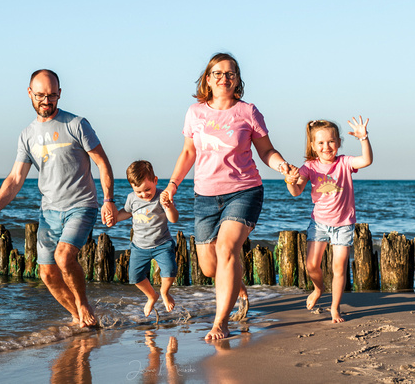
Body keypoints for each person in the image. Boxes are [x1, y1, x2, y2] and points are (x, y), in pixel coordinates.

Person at [162, 53, 297, 340]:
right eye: (218, 73)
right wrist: (173, 185)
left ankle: (220, 323)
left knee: (226, 249)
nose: (224, 78)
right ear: (208, 79)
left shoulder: (248, 112)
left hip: (244, 191)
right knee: (210, 267)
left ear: (237, 79)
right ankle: (236, 285)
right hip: (205, 196)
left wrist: (282, 165)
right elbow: (188, 152)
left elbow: (266, 151)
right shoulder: (195, 112)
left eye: (230, 73)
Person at [0, 69, 118, 328]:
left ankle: (83, 304)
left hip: (81, 206)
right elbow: (16, 178)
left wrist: (108, 200)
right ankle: (82, 319)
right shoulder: (27, 135)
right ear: (30, 93)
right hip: (49, 211)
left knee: (64, 257)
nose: (46, 101)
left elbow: (102, 163)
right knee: (47, 273)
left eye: (52, 95)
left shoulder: (76, 124)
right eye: (40, 95)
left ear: (60, 94)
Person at [284, 116, 373, 323]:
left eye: (331, 141)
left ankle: (335, 308)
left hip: (344, 224)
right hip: (319, 224)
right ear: (313, 146)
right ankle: (318, 288)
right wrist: (289, 180)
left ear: (339, 142)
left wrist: (364, 138)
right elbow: (296, 191)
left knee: (339, 267)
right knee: (311, 266)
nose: (327, 147)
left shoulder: (345, 162)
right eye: (321, 143)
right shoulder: (310, 167)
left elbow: (367, 160)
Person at [112, 160, 179, 317]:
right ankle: (151, 296)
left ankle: (164, 292)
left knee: (170, 272)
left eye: (147, 190)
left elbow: (174, 219)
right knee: (135, 277)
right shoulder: (131, 198)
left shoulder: (162, 197)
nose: (143, 195)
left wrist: (169, 206)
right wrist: (114, 218)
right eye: (139, 192)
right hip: (139, 247)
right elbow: (127, 212)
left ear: (155, 180)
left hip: (162, 244)